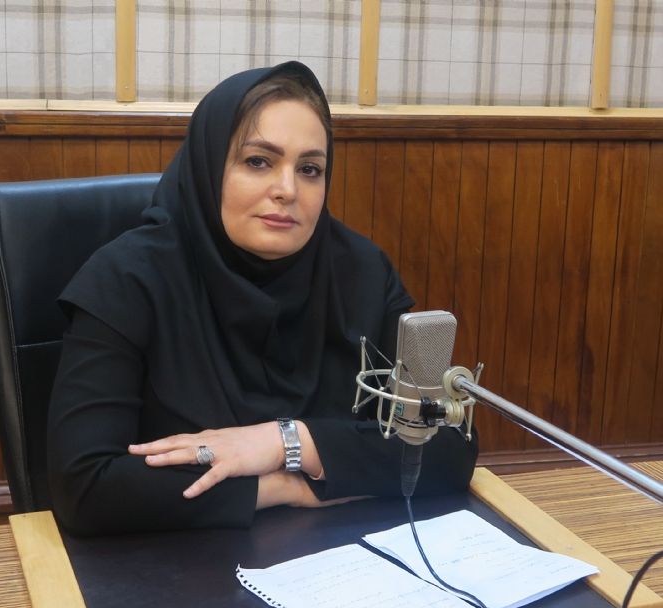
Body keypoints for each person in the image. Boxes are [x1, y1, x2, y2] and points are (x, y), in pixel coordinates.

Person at [47, 61, 477, 536]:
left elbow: (449, 446)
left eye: (310, 169)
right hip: (175, 564)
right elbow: (84, 486)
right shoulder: (126, 279)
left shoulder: (362, 273)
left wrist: (284, 441)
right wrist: (280, 487)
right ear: (210, 166)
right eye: (258, 162)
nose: (287, 190)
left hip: (339, 556)